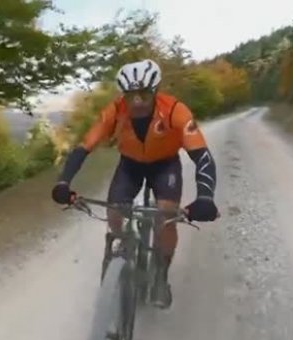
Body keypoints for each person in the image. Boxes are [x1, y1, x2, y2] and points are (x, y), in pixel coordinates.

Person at [51, 59, 219, 309]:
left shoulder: (174, 110)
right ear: (123, 95)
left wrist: (205, 197)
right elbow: (84, 147)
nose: (137, 101)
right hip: (130, 164)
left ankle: (161, 275)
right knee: (115, 210)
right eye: (131, 95)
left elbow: (202, 157)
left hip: (165, 165)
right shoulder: (114, 111)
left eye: (144, 94)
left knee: (166, 213)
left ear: (155, 91)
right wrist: (63, 182)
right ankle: (119, 246)